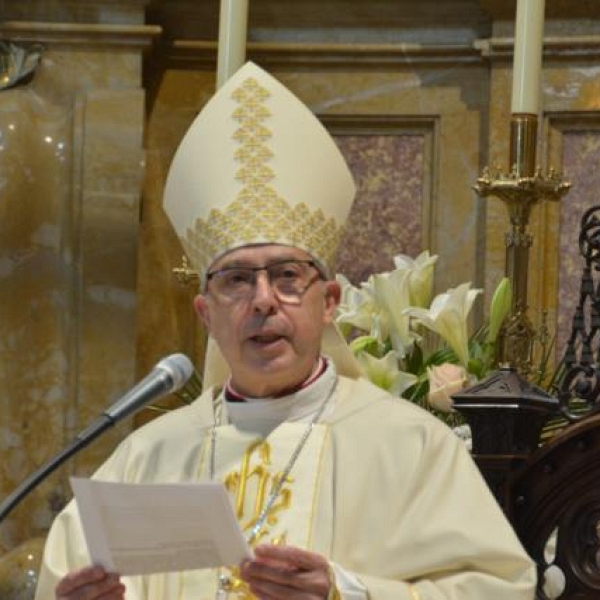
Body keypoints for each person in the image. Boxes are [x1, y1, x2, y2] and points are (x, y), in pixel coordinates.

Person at [35, 62, 536, 600]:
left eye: (287, 276)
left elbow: (501, 588)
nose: (263, 299)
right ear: (206, 314)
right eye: (236, 280)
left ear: (329, 303)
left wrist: (345, 593)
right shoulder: (147, 456)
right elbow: (61, 580)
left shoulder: (411, 445)